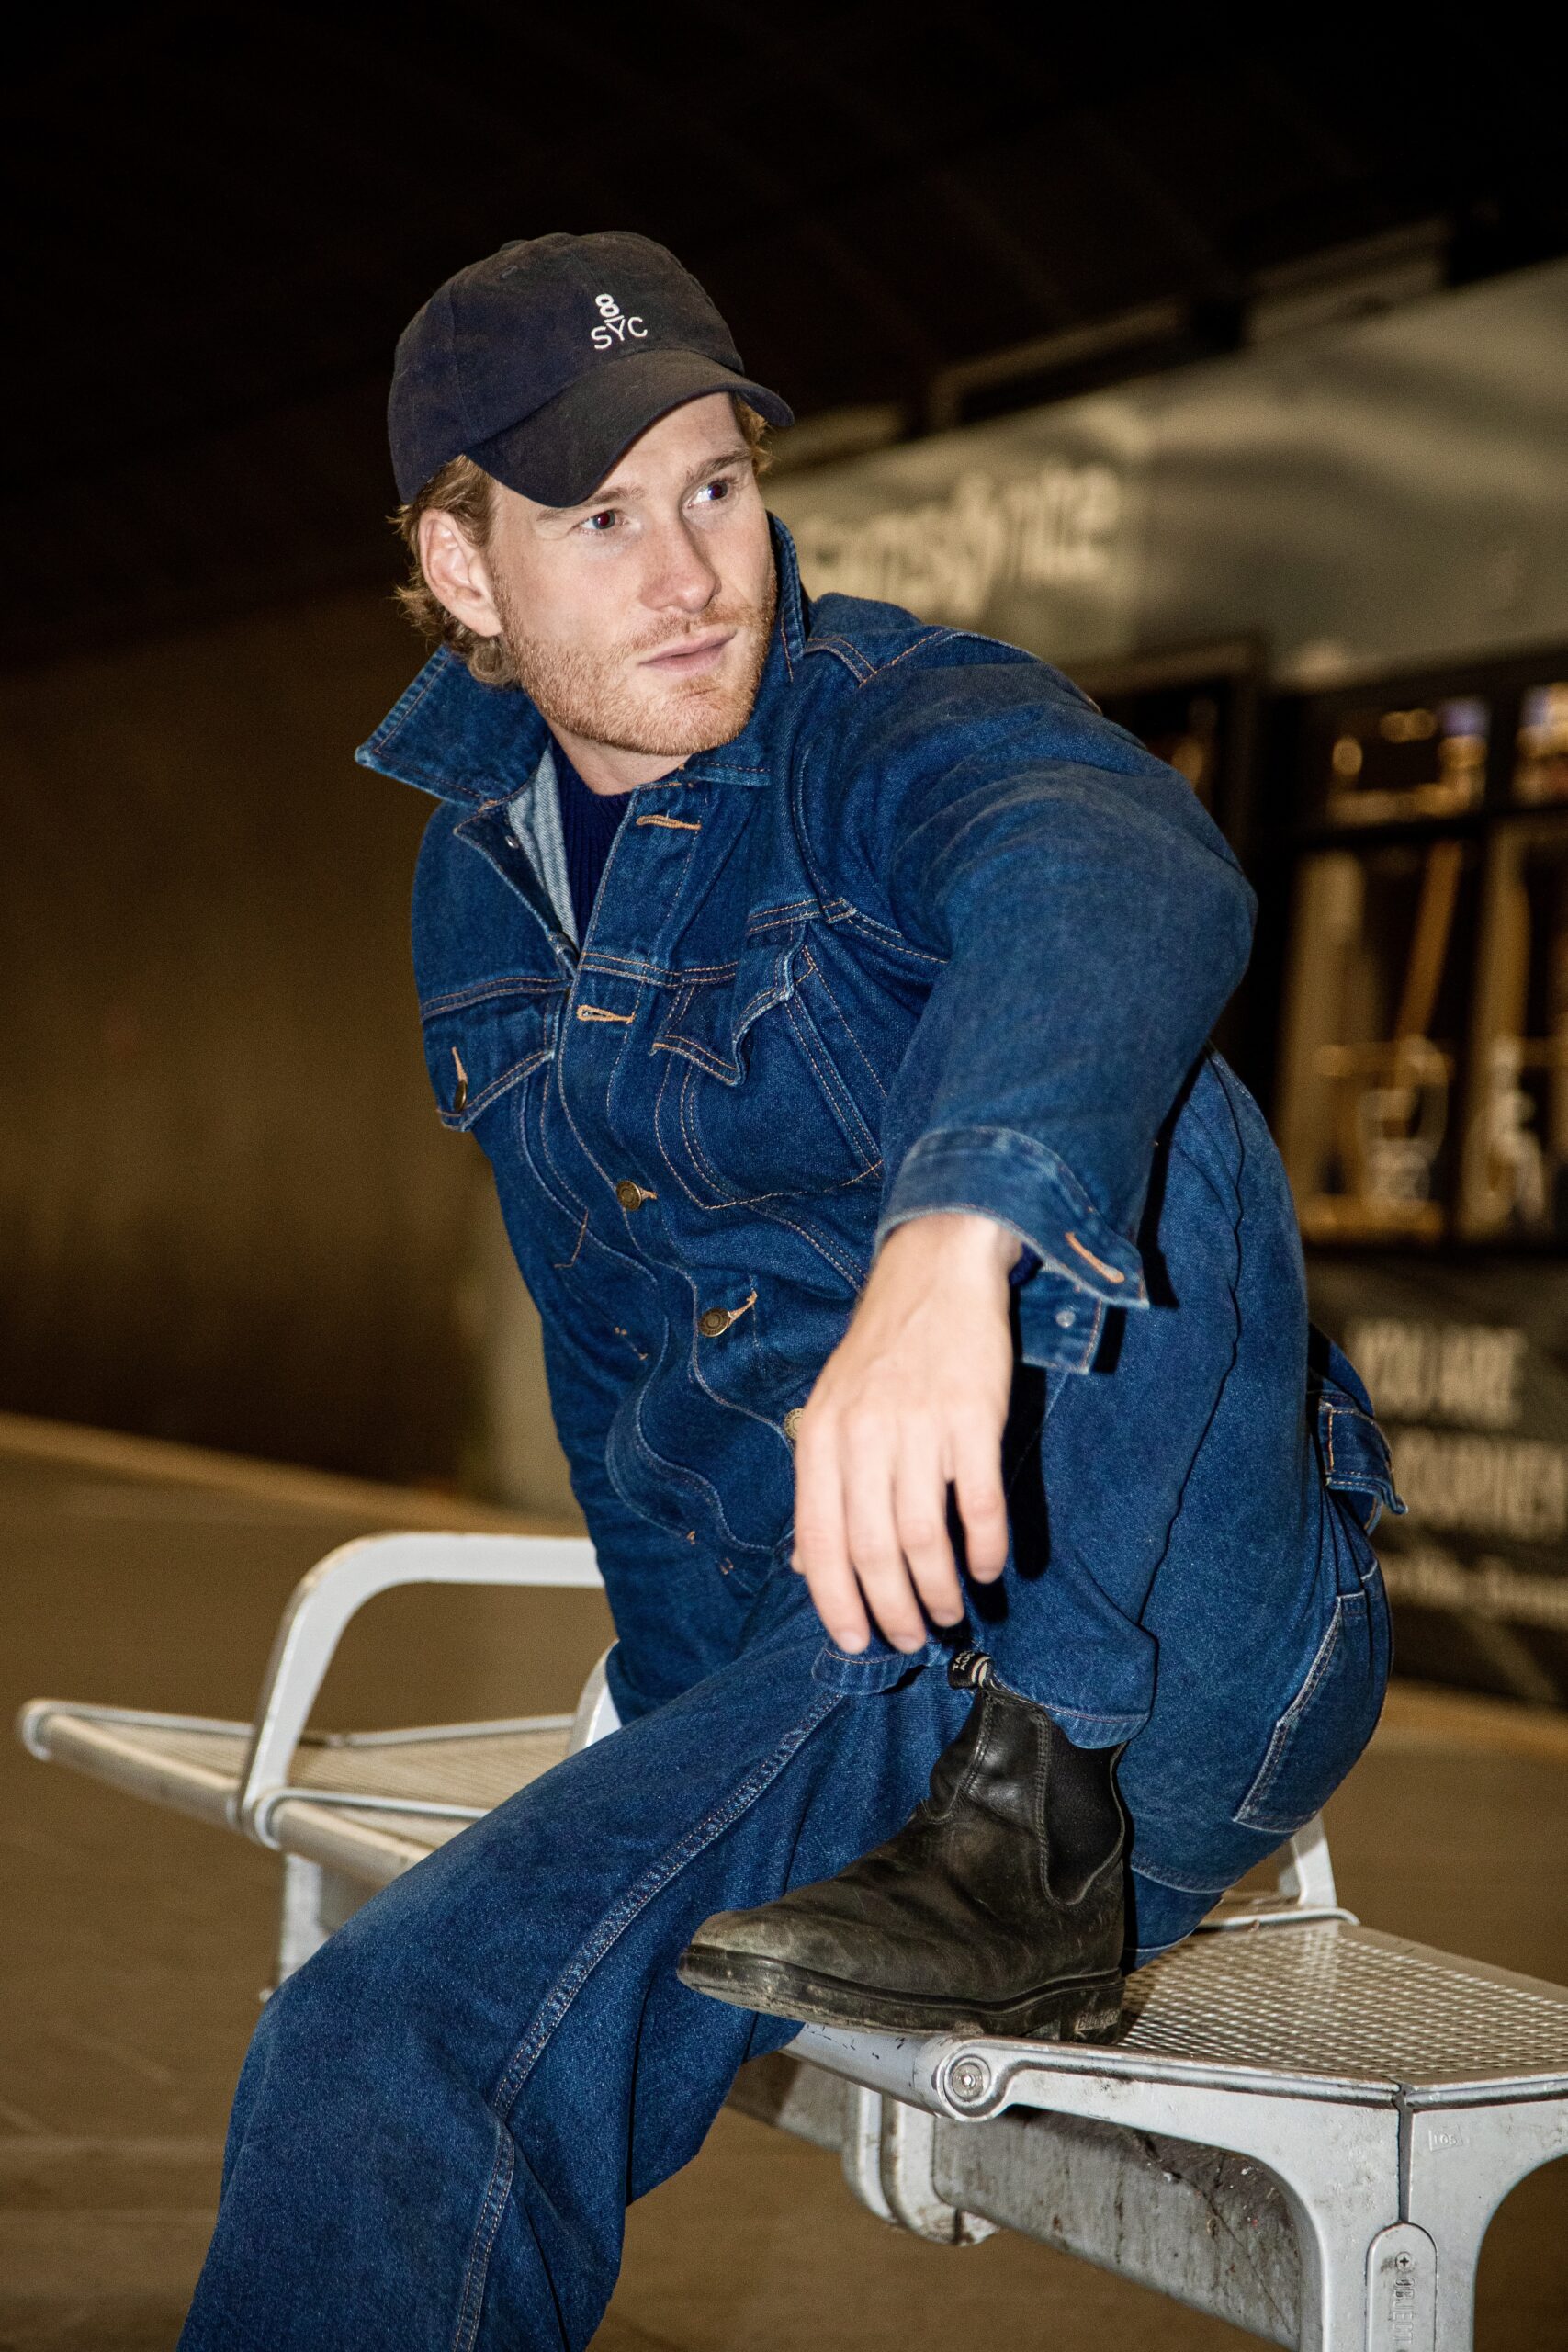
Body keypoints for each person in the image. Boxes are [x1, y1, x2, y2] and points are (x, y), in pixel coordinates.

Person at [179, 231, 1397, 2350]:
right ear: (462, 569)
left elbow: (1108, 863)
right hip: (828, 1643)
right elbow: (610, 1358)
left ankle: (1035, 1807)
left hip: (1153, 1621)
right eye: (599, 517)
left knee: (1136, 1079)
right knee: (385, 2037)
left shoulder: (885, 722)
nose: (690, 573)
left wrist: (949, 1244)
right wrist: (674, 1758)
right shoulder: (479, 882)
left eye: (716, 486)